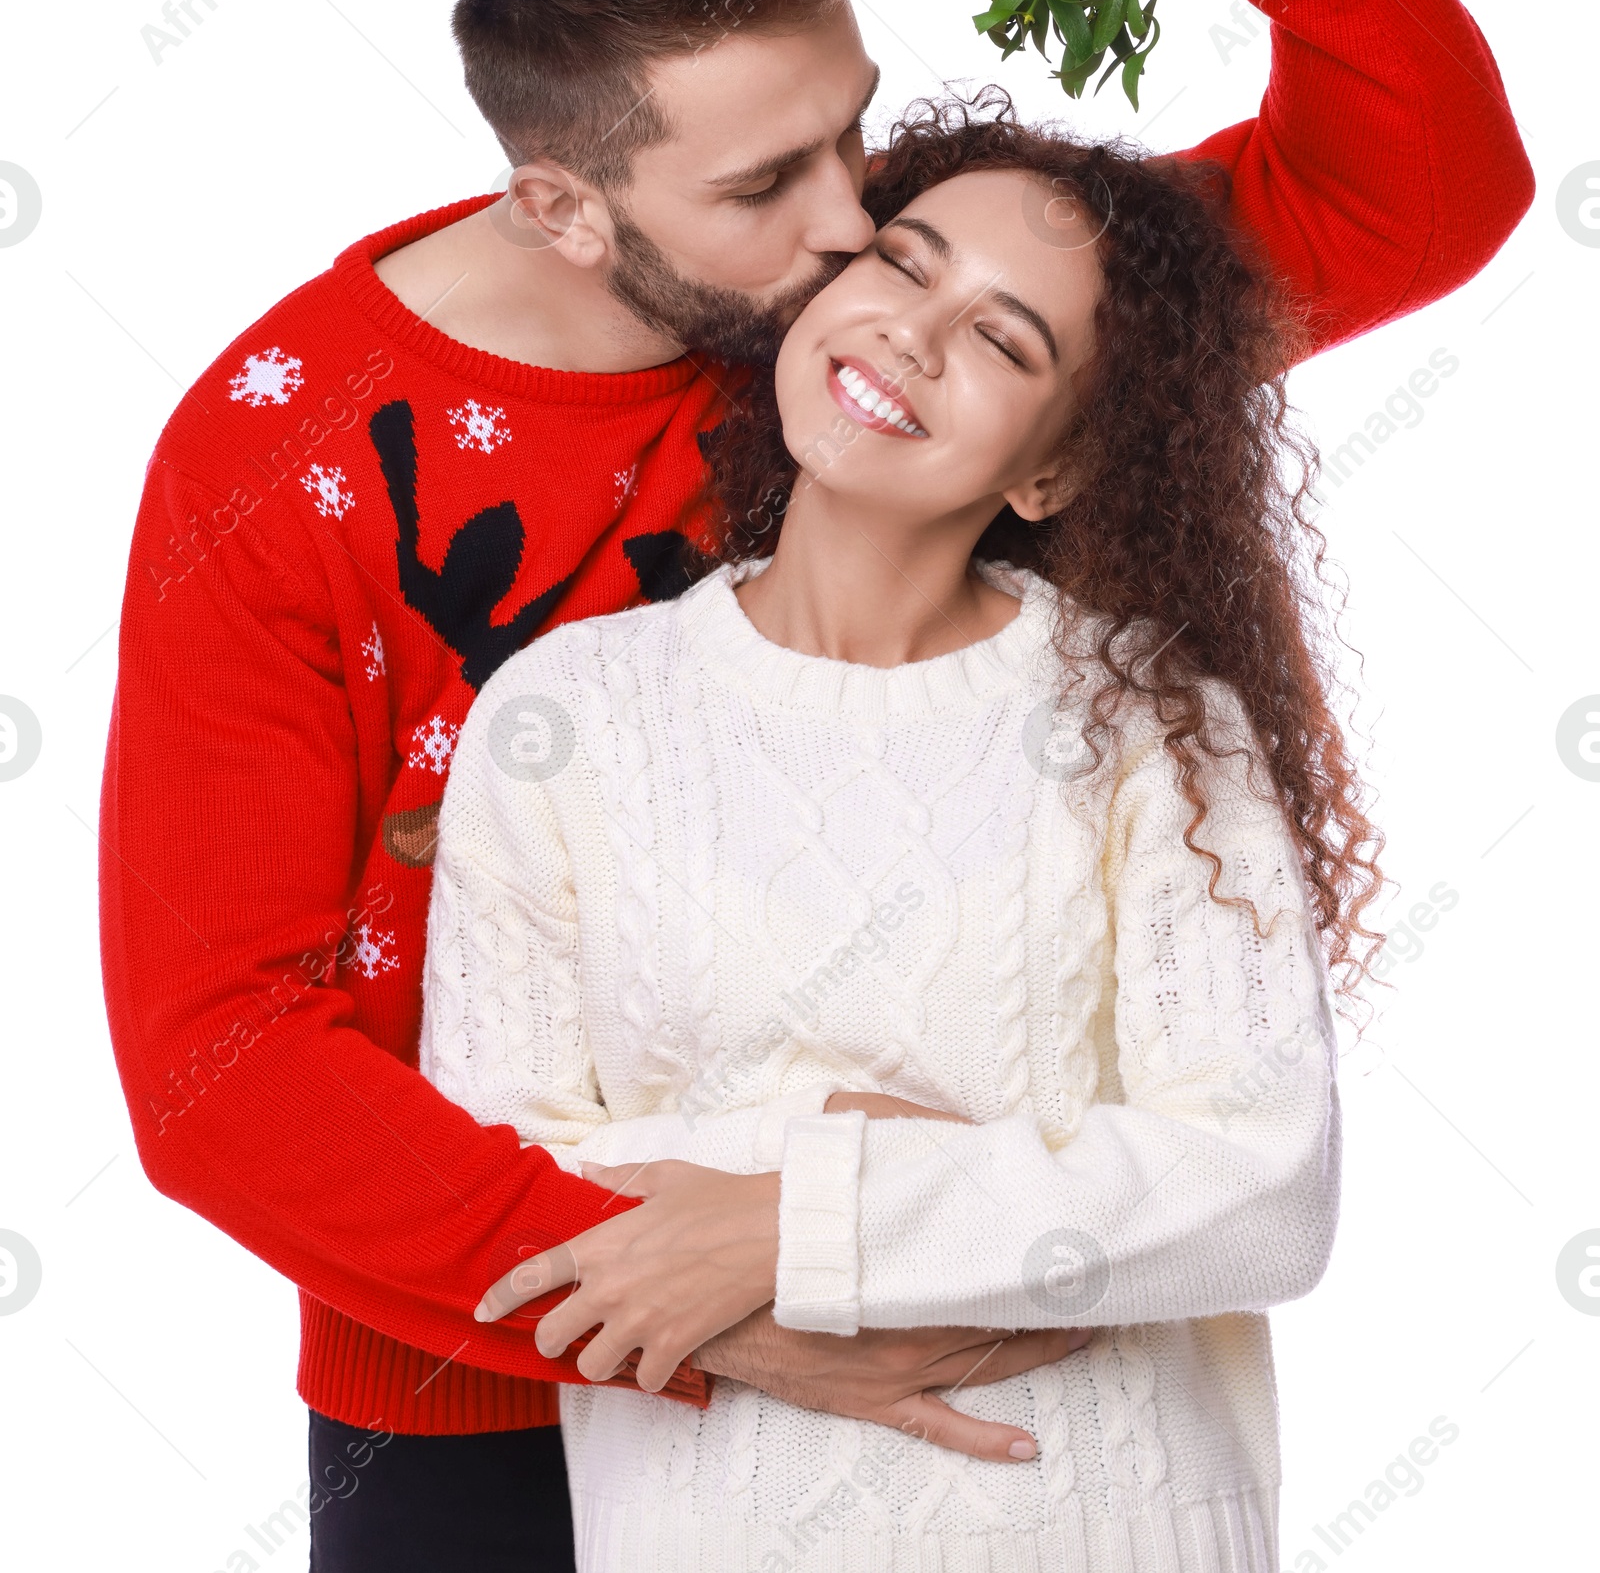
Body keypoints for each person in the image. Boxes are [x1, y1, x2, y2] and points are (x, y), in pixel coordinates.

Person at [97, 0, 1530, 1572]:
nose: (859, 224)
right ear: (560, 202)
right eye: (768, 183)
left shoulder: (896, 341)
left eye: (851, 134)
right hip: (488, 1382)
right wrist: (720, 1306)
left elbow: (1415, 193)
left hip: (973, 1346)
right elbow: (220, 1056)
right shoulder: (283, 459)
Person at [420, 96, 1367, 1571]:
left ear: (1049, 470)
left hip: (1106, 1521)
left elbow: (1261, 1186)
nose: (915, 335)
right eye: (905, 263)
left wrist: (782, 1215)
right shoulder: (567, 720)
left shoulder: (1153, 724)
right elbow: (503, 1198)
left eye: (1007, 340)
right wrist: (941, 1186)